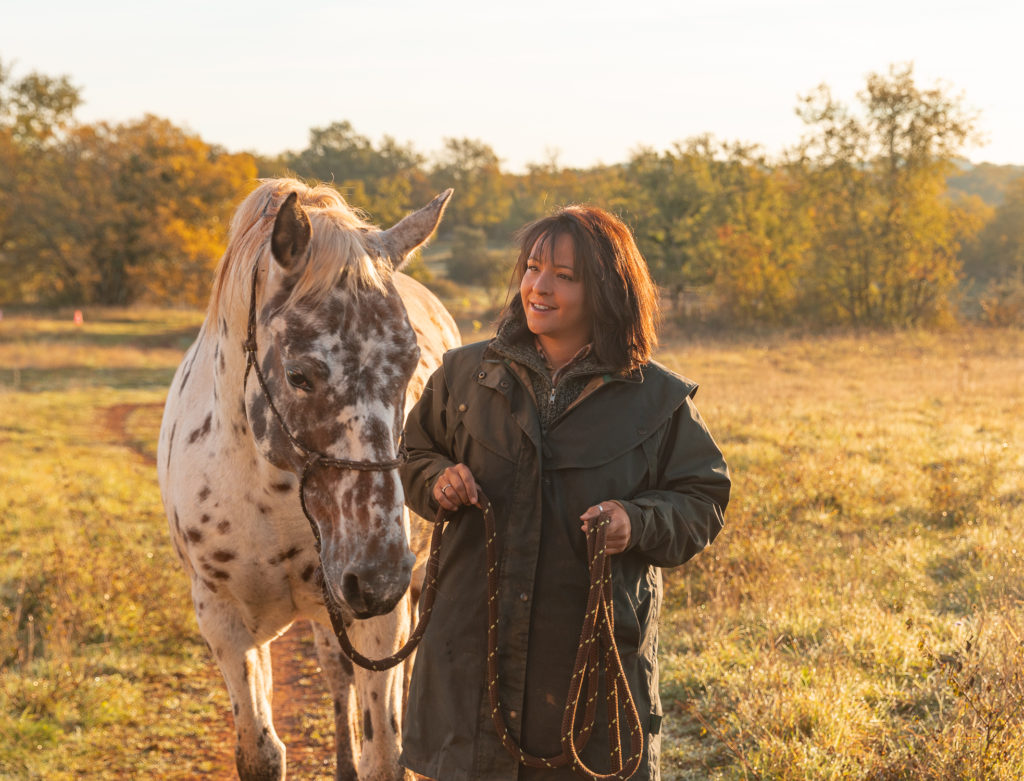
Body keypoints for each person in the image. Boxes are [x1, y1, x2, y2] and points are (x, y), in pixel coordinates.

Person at [399, 205, 730, 781]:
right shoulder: (462, 375)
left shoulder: (658, 400)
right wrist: (437, 480)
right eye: (532, 268)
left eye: (564, 276)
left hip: (592, 660)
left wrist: (638, 520)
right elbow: (413, 456)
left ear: (606, 289)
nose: (538, 287)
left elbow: (702, 499)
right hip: (471, 652)